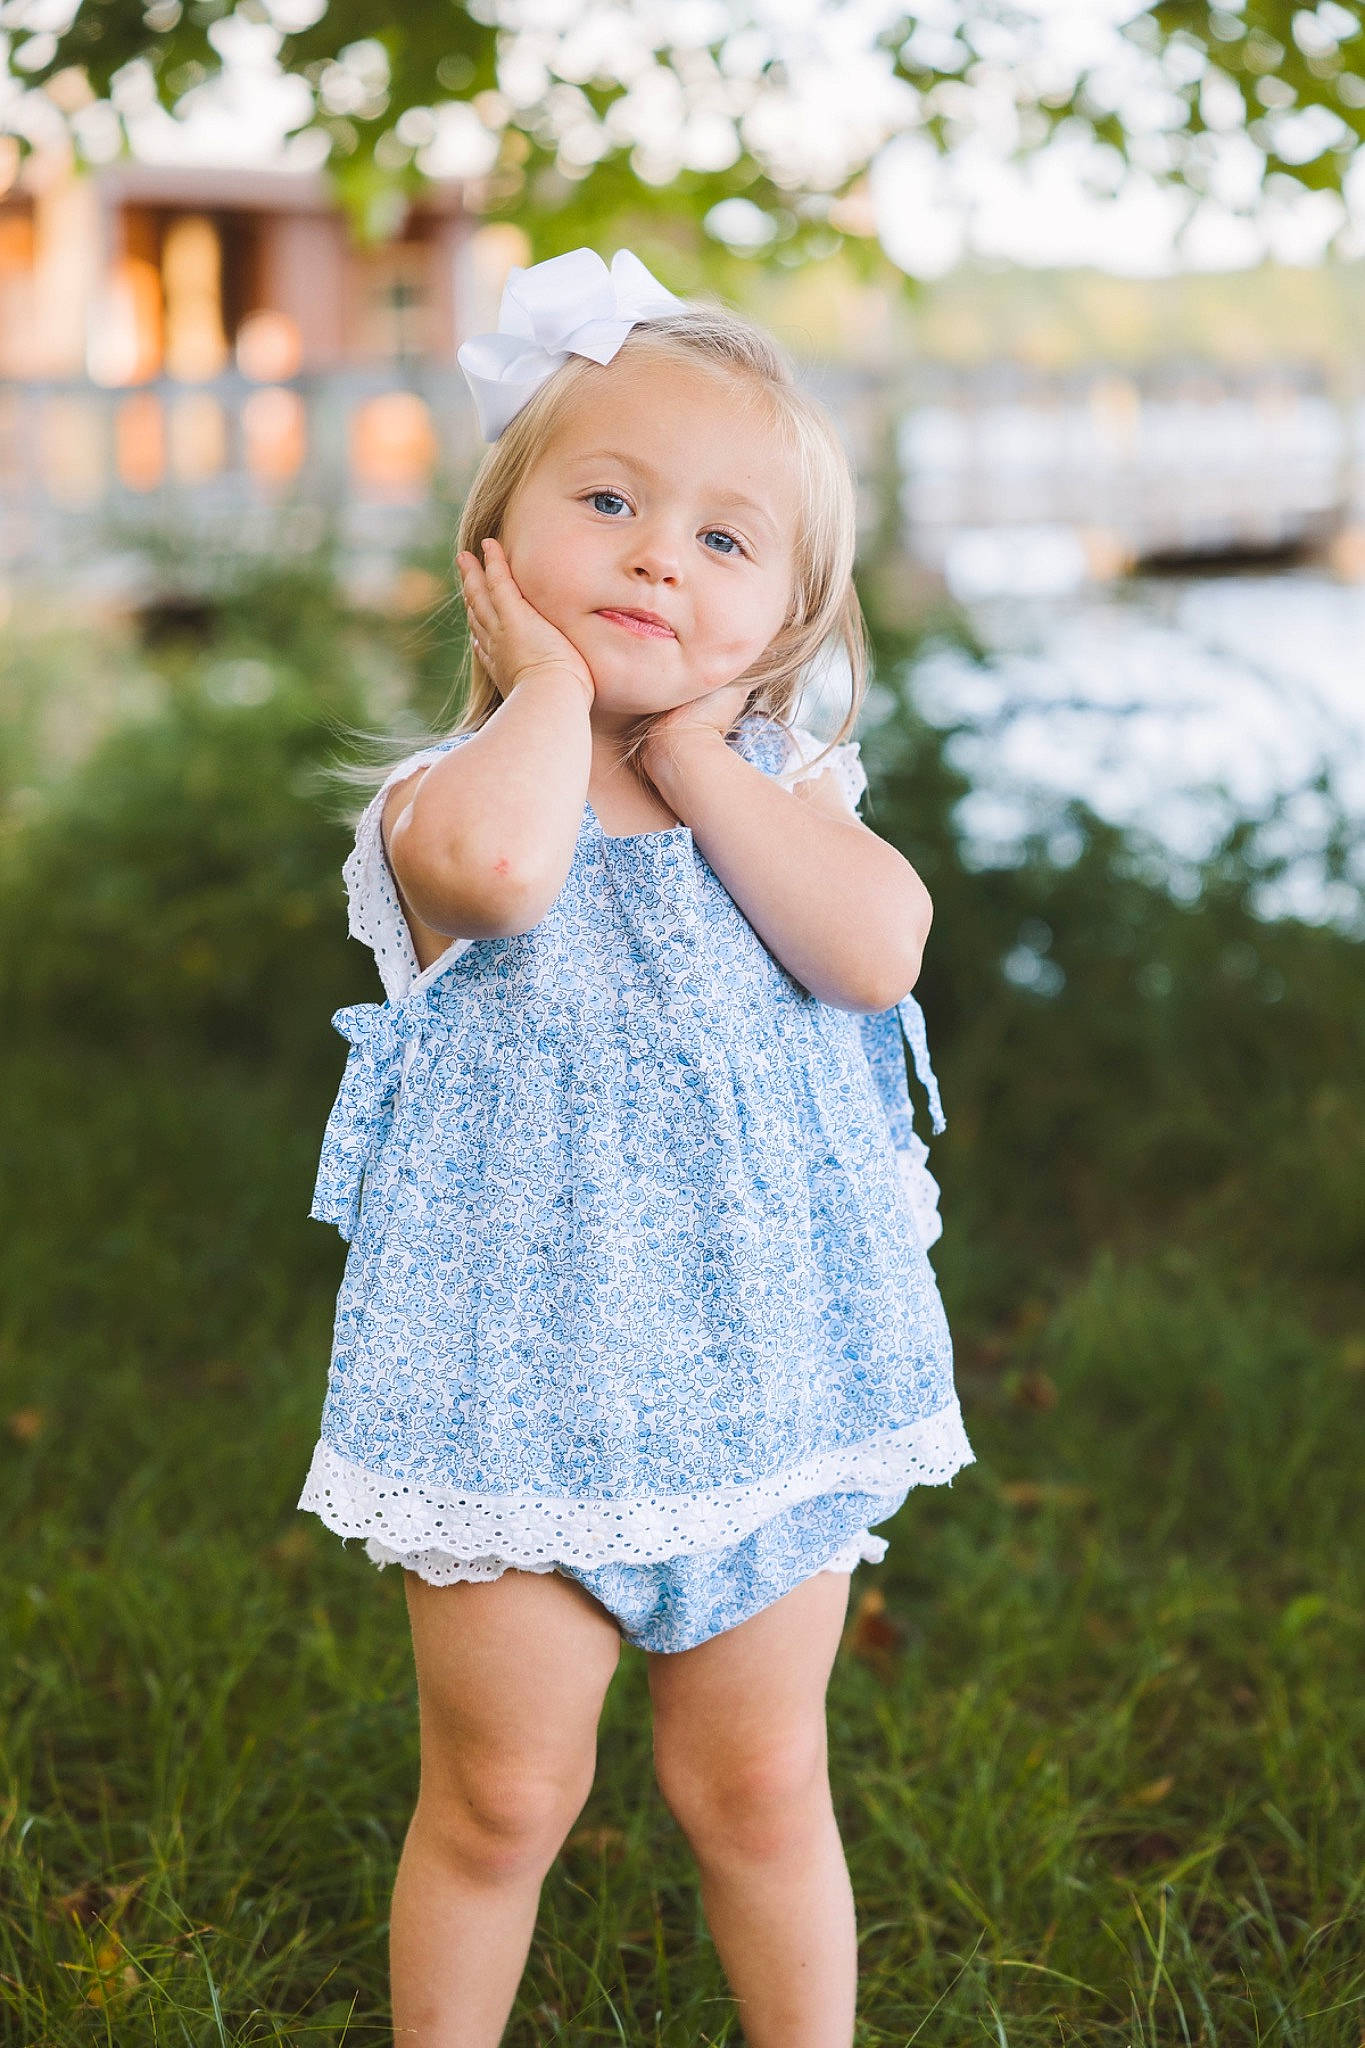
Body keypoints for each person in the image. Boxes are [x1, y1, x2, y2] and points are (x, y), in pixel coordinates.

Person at [299, 247, 974, 2048]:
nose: (658, 555)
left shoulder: (778, 801)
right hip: (508, 1394)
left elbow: (876, 954)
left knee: (755, 1790)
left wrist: (700, 760)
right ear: (494, 547)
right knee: (504, 1799)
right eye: (605, 504)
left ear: (787, 622)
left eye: (723, 539)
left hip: (767, 1377)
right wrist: (544, 690)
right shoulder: (448, 798)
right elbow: (504, 880)